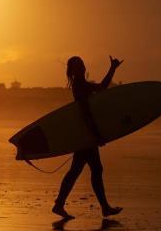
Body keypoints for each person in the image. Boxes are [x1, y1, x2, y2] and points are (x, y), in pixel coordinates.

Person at [53, 55, 123, 220]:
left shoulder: (81, 84)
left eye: (83, 64)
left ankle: (60, 204)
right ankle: (102, 207)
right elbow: (85, 113)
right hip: (86, 135)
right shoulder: (79, 85)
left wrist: (112, 69)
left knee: (80, 170)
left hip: (84, 135)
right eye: (79, 65)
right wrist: (96, 134)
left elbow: (101, 87)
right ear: (74, 70)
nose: (83, 67)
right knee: (91, 170)